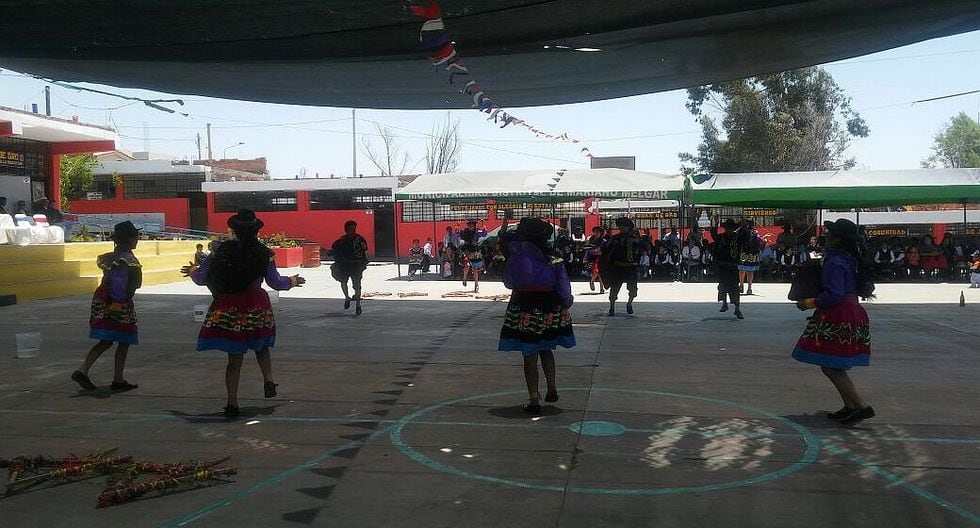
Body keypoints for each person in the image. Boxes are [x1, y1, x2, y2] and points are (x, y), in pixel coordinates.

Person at [182, 209, 305, 418]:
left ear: (234, 230)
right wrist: (292, 281)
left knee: (234, 356)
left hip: (230, 305)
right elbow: (275, 282)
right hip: (256, 303)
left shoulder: (221, 250)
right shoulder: (264, 253)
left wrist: (193, 271)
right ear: (257, 231)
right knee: (261, 345)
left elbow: (202, 278)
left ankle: (232, 403)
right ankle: (268, 379)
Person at [792, 219, 875, 425]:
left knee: (830, 366)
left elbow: (835, 294)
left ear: (838, 239)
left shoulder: (835, 261)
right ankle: (850, 405)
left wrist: (809, 302)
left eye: (830, 233)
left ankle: (861, 406)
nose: (826, 236)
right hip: (851, 310)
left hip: (839, 313)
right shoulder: (849, 259)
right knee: (833, 365)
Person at [498, 218, 575, 415]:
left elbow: (508, 282)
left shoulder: (517, 257)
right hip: (549, 305)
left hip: (524, 305)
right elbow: (563, 285)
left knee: (529, 353)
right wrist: (566, 301)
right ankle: (552, 388)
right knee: (546, 348)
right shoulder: (554, 258)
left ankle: (534, 399)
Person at [71, 221, 143, 393]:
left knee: (107, 340)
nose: (137, 240)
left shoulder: (113, 257)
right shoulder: (125, 260)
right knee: (124, 339)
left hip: (105, 299)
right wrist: (118, 304)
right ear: (130, 239)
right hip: (115, 302)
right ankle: (113, 378)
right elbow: (118, 283)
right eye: (136, 237)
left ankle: (86, 371)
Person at [600, 217, 643, 316]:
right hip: (617, 267)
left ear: (628, 227)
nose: (622, 228)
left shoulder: (635, 238)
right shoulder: (614, 239)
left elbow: (642, 248)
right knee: (614, 289)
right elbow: (605, 248)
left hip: (631, 267)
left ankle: (629, 303)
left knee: (633, 289)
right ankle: (612, 307)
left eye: (624, 226)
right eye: (620, 226)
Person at [330, 220, 369, 315]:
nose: (353, 231)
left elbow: (364, 249)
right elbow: (334, 248)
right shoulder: (342, 241)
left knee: (357, 285)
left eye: (354, 229)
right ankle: (347, 297)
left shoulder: (359, 239)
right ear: (346, 230)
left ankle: (358, 305)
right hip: (344, 265)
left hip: (356, 265)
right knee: (343, 281)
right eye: (351, 229)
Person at [711, 218, 743, 319]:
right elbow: (714, 235)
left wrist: (744, 226)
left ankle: (737, 308)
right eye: (728, 228)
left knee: (735, 287)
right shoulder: (721, 237)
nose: (729, 230)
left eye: (731, 228)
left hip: (733, 266)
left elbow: (746, 239)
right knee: (723, 285)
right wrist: (715, 225)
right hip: (723, 266)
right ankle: (724, 303)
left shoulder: (738, 238)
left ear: (733, 229)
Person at [738, 221, 761, 295]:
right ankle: (745, 286)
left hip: (748, 252)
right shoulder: (753, 232)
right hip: (748, 252)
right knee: (746, 270)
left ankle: (746, 287)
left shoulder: (752, 232)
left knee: (746, 270)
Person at [584, 226, 605, 293]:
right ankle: (592, 281)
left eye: (598, 231)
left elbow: (605, 250)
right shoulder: (590, 240)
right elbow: (588, 249)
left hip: (601, 258)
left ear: (601, 233)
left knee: (601, 273)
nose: (597, 233)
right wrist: (585, 258)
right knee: (595, 272)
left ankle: (601, 288)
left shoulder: (603, 241)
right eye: (595, 231)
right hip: (592, 258)